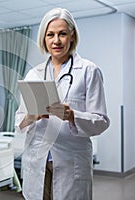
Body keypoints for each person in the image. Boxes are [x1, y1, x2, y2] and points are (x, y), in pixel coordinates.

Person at [15, 8, 110, 200]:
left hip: (70, 162)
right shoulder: (34, 74)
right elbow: (19, 121)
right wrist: (30, 116)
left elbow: (101, 121)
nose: (56, 41)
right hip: (37, 160)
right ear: (44, 38)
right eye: (50, 35)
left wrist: (72, 115)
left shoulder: (88, 71)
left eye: (62, 34)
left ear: (72, 36)